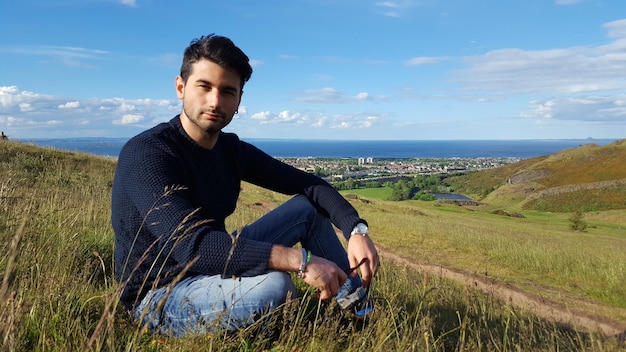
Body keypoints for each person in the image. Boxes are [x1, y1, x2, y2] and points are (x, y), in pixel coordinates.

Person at [111, 34, 379, 337]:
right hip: (159, 296)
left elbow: (309, 184)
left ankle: (359, 311)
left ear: (238, 101)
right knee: (275, 286)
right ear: (180, 87)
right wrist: (302, 261)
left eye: (227, 91)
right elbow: (194, 246)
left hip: (213, 267)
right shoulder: (147, 153)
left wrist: (356, 230)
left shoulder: (230, 150)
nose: (215, 101)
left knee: (307, 208)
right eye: (204, 87)